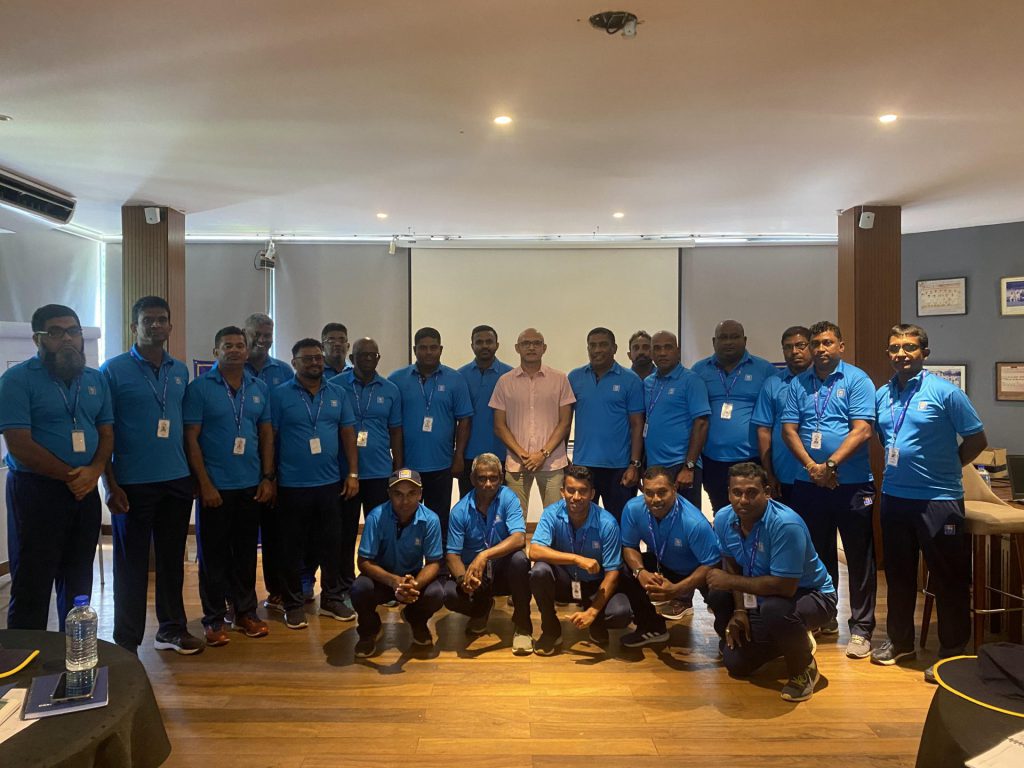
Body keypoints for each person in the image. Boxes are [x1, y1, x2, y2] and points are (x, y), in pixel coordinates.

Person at [871, 324, 986, 682]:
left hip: (939, 500)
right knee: (898, 576)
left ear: (925, 353)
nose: (901, 354)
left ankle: (952, 653)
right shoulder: (882, 395)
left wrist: (948, 467)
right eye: (894, 348)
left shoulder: (946, 392)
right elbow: (884, 437)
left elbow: (977, 439)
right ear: (888, 353)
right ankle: (900, 642)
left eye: (909, 347)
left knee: (949, 579)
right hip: (894, 498)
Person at [0, 304, 113, 630]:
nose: (67, 339)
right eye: (56, 332)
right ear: (38, 339)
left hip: (85, 490)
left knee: (78, 582)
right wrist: (72, 476)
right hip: (36, 491)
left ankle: (74, 651)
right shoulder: (17, 380)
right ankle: (25, 657)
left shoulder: (95, 380)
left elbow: (107, 433)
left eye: (73, 331)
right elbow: (19, 443)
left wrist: (94, 471)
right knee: (32, 583)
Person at [101, 296, 203, 654]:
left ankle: (171, 630)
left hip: (176, 479)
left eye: (162, 319)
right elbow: (104, 431)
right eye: (148, 320)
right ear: (135, 327)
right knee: (131, 566)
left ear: (170, 326)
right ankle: (126, 643)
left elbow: (185, 428)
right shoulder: (112, 371)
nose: (156, 325)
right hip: (132, 483)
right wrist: (109, 484)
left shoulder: (180, 371)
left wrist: (193, 476)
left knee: (172, 561)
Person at [781, 320, 877, 658]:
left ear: (840, 346)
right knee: (817, 555)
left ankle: (862, 628)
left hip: (852, 484)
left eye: (827, 342)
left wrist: (830, 466)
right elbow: (789, 430)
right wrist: (813, 468)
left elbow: (862, 430)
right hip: (808, 483)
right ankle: (825, 617)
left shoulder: (857, 380)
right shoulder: (798, 384)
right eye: (816, 343)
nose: (821, 349)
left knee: (859, 557)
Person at [707, 463, 837, 702]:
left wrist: (730, 580)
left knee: (774, 609)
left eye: (751, 492)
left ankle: (804, 668)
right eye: (737, 492)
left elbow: (784, 587)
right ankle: (790, 639)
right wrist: (739, 611)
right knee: (735, 663)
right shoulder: (724, 518)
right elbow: (732, 563)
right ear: (729, 493)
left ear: (767, 492)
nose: (743, 500)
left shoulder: (786, 525)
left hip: (810, 594)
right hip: (763, 594)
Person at [184, 326, 276, 645]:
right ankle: (213, 618)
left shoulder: (258, 387)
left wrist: (267, 477)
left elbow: (266, 434)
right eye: (228, 345)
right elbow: (191, 438)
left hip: (250, 484)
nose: (235, 350)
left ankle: (245, 612)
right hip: (215, 488)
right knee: (213, 556)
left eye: (240, 345)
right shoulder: (200, 388)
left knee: (245, 555)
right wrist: (204, 483)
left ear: (247, 351)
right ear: (216, 352)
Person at [270, 339, 360, 628]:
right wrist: (269, 477)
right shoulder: (280, 395)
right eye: (307, 358)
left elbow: (348, 434)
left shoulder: (338, 393)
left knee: (332, 544)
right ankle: (293, 603)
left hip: (329, 483)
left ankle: (331, 598)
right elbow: (270, 437)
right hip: (291, 485)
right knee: (291, 547)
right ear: (294, 363)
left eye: (318, 358)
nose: (314, 363)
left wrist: (353, 473)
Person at [527, 465, 631, 655]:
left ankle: (595, 619)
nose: (576, 497)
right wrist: (576, 559)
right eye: (571, 490)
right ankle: (550, 629)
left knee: (620, 614)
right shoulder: (551, 513)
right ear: (562, 492)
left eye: (583, 491)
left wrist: (593, 612)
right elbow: (534, 551)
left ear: (592, 494)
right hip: (565, 582)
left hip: (595, 585)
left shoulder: (607, 523)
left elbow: (613, 574)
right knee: (539, 571)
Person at [333, 337, 403, 601]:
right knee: (345, 531)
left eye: (373, 355)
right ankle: (344, 585)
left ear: (378, 358)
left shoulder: (390, 389)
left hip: (380, 472)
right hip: (344, 474)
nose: (368, 359)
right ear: (352, 358)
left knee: (383, 531)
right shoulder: (336, 386)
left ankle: (384, 583)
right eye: (362, 354)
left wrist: (398, 468)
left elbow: (396, 431)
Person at [619, 465, 722, 646]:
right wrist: (640, 572)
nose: (655, 499)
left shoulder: (694, 522)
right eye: (649, 493)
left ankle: (727, 635)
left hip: (698, 570)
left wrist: (676, 590)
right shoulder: (633, 509)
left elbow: (711, 564)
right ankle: (652, 628)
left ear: (674, 489)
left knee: (719, 591)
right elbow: (629, 546)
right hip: (664, 564)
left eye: (662, 492)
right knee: (624, 569)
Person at [388, 327, 473, 540]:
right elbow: (393, 426)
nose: (428, 352)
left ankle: (439, 559)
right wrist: (397, 462)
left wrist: (458, 456)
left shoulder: (455, 379)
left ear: (441, 349)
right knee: (405, 518)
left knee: (439, 519)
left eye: (433, 347)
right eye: (423, 347)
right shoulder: (397, 380)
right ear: (414, 349)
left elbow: (464, 420)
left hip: (441, 465)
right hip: (408, 465)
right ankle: (408, 558)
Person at [444, 453, 532, 654]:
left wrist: (484, 555)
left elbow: (519, 538)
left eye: (493, 478)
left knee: (520, 560)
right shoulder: (459, 510)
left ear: (501, 479)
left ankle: (523, 627)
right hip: (476, 574)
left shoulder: (508, 498)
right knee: (449, 594)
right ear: (472, 479)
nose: (488, 484)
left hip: (502, 570)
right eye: (482, 478)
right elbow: (452, 555)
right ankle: (481, 609)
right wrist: (463, 580)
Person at [351, 469, 444, 657]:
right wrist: (393, 581)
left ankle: (417, 620)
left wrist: (414, 584)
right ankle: (369, 629)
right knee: (359, 589)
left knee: (437, 593)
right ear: (389, 494)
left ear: (420, 494)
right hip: (382, 578)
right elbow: (363, 562)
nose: (405, 501)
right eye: (398, 494)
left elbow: (434, 563)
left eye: (411, 493)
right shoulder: (376, 517)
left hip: (412, 578)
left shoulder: (431, 519)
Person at [693, 320, 777, 513]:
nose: (729, 342)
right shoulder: (699, 370)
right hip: (712, 460)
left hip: (751, 459)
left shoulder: (765, 370)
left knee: (752, 512)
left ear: (745, 340)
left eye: (734, 337)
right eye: (723, 337)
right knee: (721, 511)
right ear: (714, 341)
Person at [490, 328, 575, 514]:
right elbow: (499, 426)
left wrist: (542, 454)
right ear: (517, 348)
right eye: (525, 343)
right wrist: (523, 455)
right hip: (517, 463)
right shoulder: (504, 382)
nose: (531, 347)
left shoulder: (560, 379)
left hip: (552, 462)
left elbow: (565, 423)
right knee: (514, 518)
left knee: (556, 518)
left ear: (544, 348)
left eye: (536, 343)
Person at [242, 313, 294, 600]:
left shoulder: (284, 371)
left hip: (277, 466)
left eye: (268, 335)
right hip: (243, 466)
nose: (262, 340)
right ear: (245, 334)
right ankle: (241, 598)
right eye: (257, 335)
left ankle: (277, 592)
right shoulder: (233, 367)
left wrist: (272, 472)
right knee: (243, 538)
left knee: (277, 535)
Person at [567, 327, 645, 520]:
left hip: (619, 468)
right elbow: (566, 421)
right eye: (592, 345)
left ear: (614, 348)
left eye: (603, 345)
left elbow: (637, 424)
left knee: (620, 521)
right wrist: (563, 458)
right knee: (582, 521)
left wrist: (634, 464)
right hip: (583, 465)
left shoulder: (630, 380)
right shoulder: (574, 378)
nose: (597, 350)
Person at [642, 330, 711, 509]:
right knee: (657, 516)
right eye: (657, 348)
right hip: (654, 466)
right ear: (651, 353)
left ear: (678, 351)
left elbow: (701, 423)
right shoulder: (648, 383)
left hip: (681, 465)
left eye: (668, 347)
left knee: (686, 518)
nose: (662, 353)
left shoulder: (691, 380)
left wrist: (689, 466)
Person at [752, 326, 813, 505]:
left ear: (811, 346)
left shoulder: (824, 381)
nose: (794, 351)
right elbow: (763, 431)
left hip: (818, 474)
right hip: (784, 474)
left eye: (800, 345)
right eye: (788, 347)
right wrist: (768, 473)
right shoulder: (772, 384)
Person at [456, 325, 513, 498]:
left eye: (489, 341)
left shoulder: (510, 376)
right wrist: (457, 454)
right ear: (472, 346)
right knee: (469, 504)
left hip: (503, 455)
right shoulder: (459, 376)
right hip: (468, 455)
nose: (484, 346)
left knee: (500, 506)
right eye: (479, 342)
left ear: (497, 345)